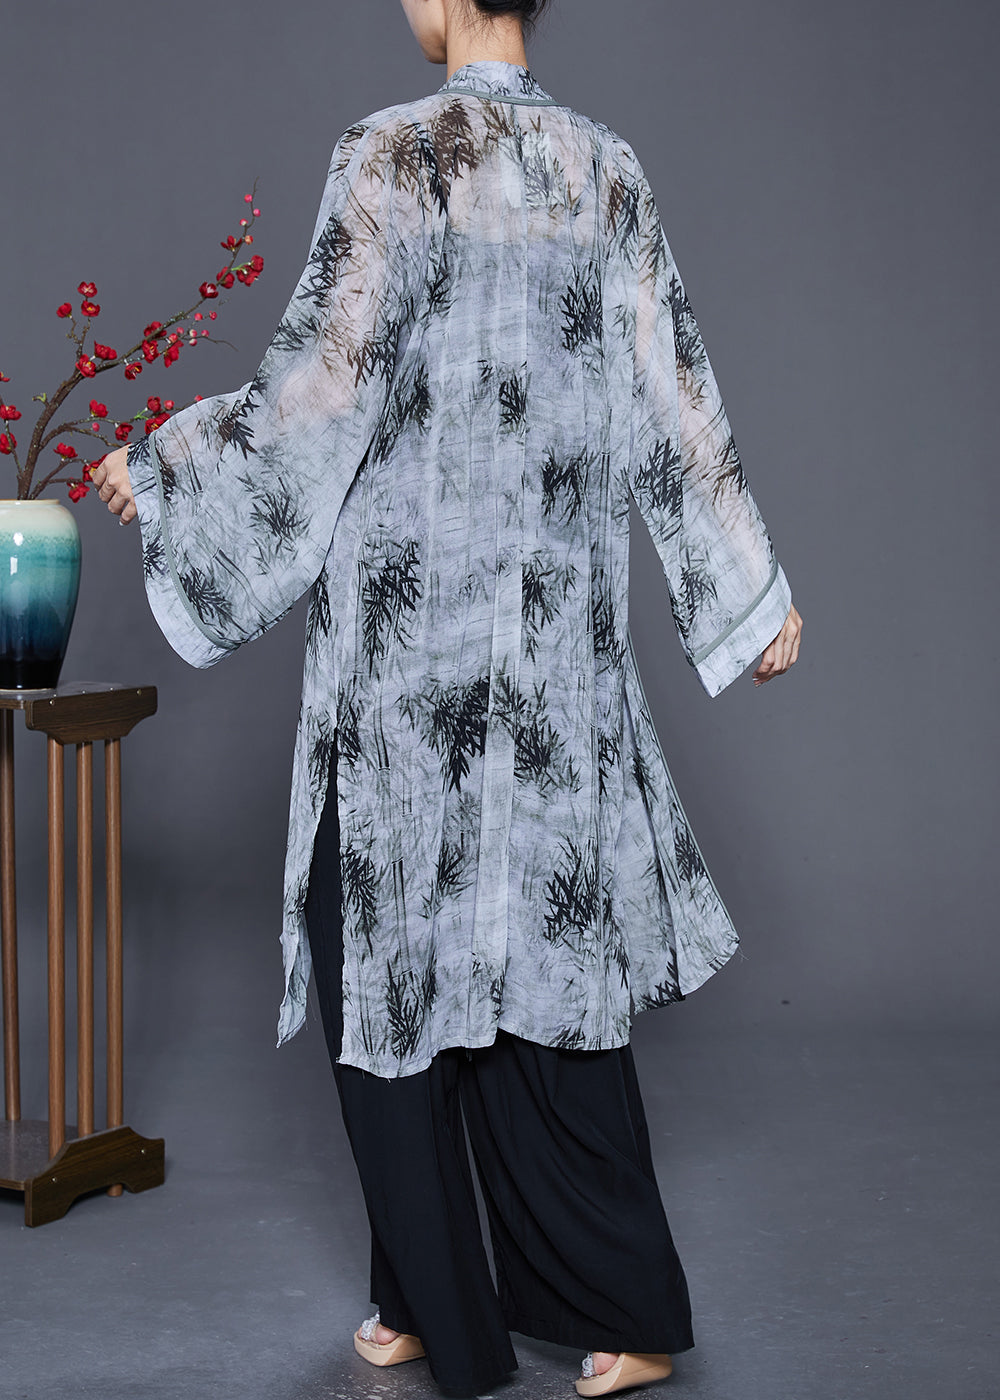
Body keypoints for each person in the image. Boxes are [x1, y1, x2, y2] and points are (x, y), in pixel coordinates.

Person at [92, 0, 803, 1394]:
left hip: (406, 672)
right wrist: (751, 592)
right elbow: (677, 398)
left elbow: (317, 393)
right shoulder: (607, 169)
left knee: (386, 964)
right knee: (548, 961)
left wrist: (169, 467)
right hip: (550, 669)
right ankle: (557, 1308)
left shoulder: (389, 156)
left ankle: (463, 1304)